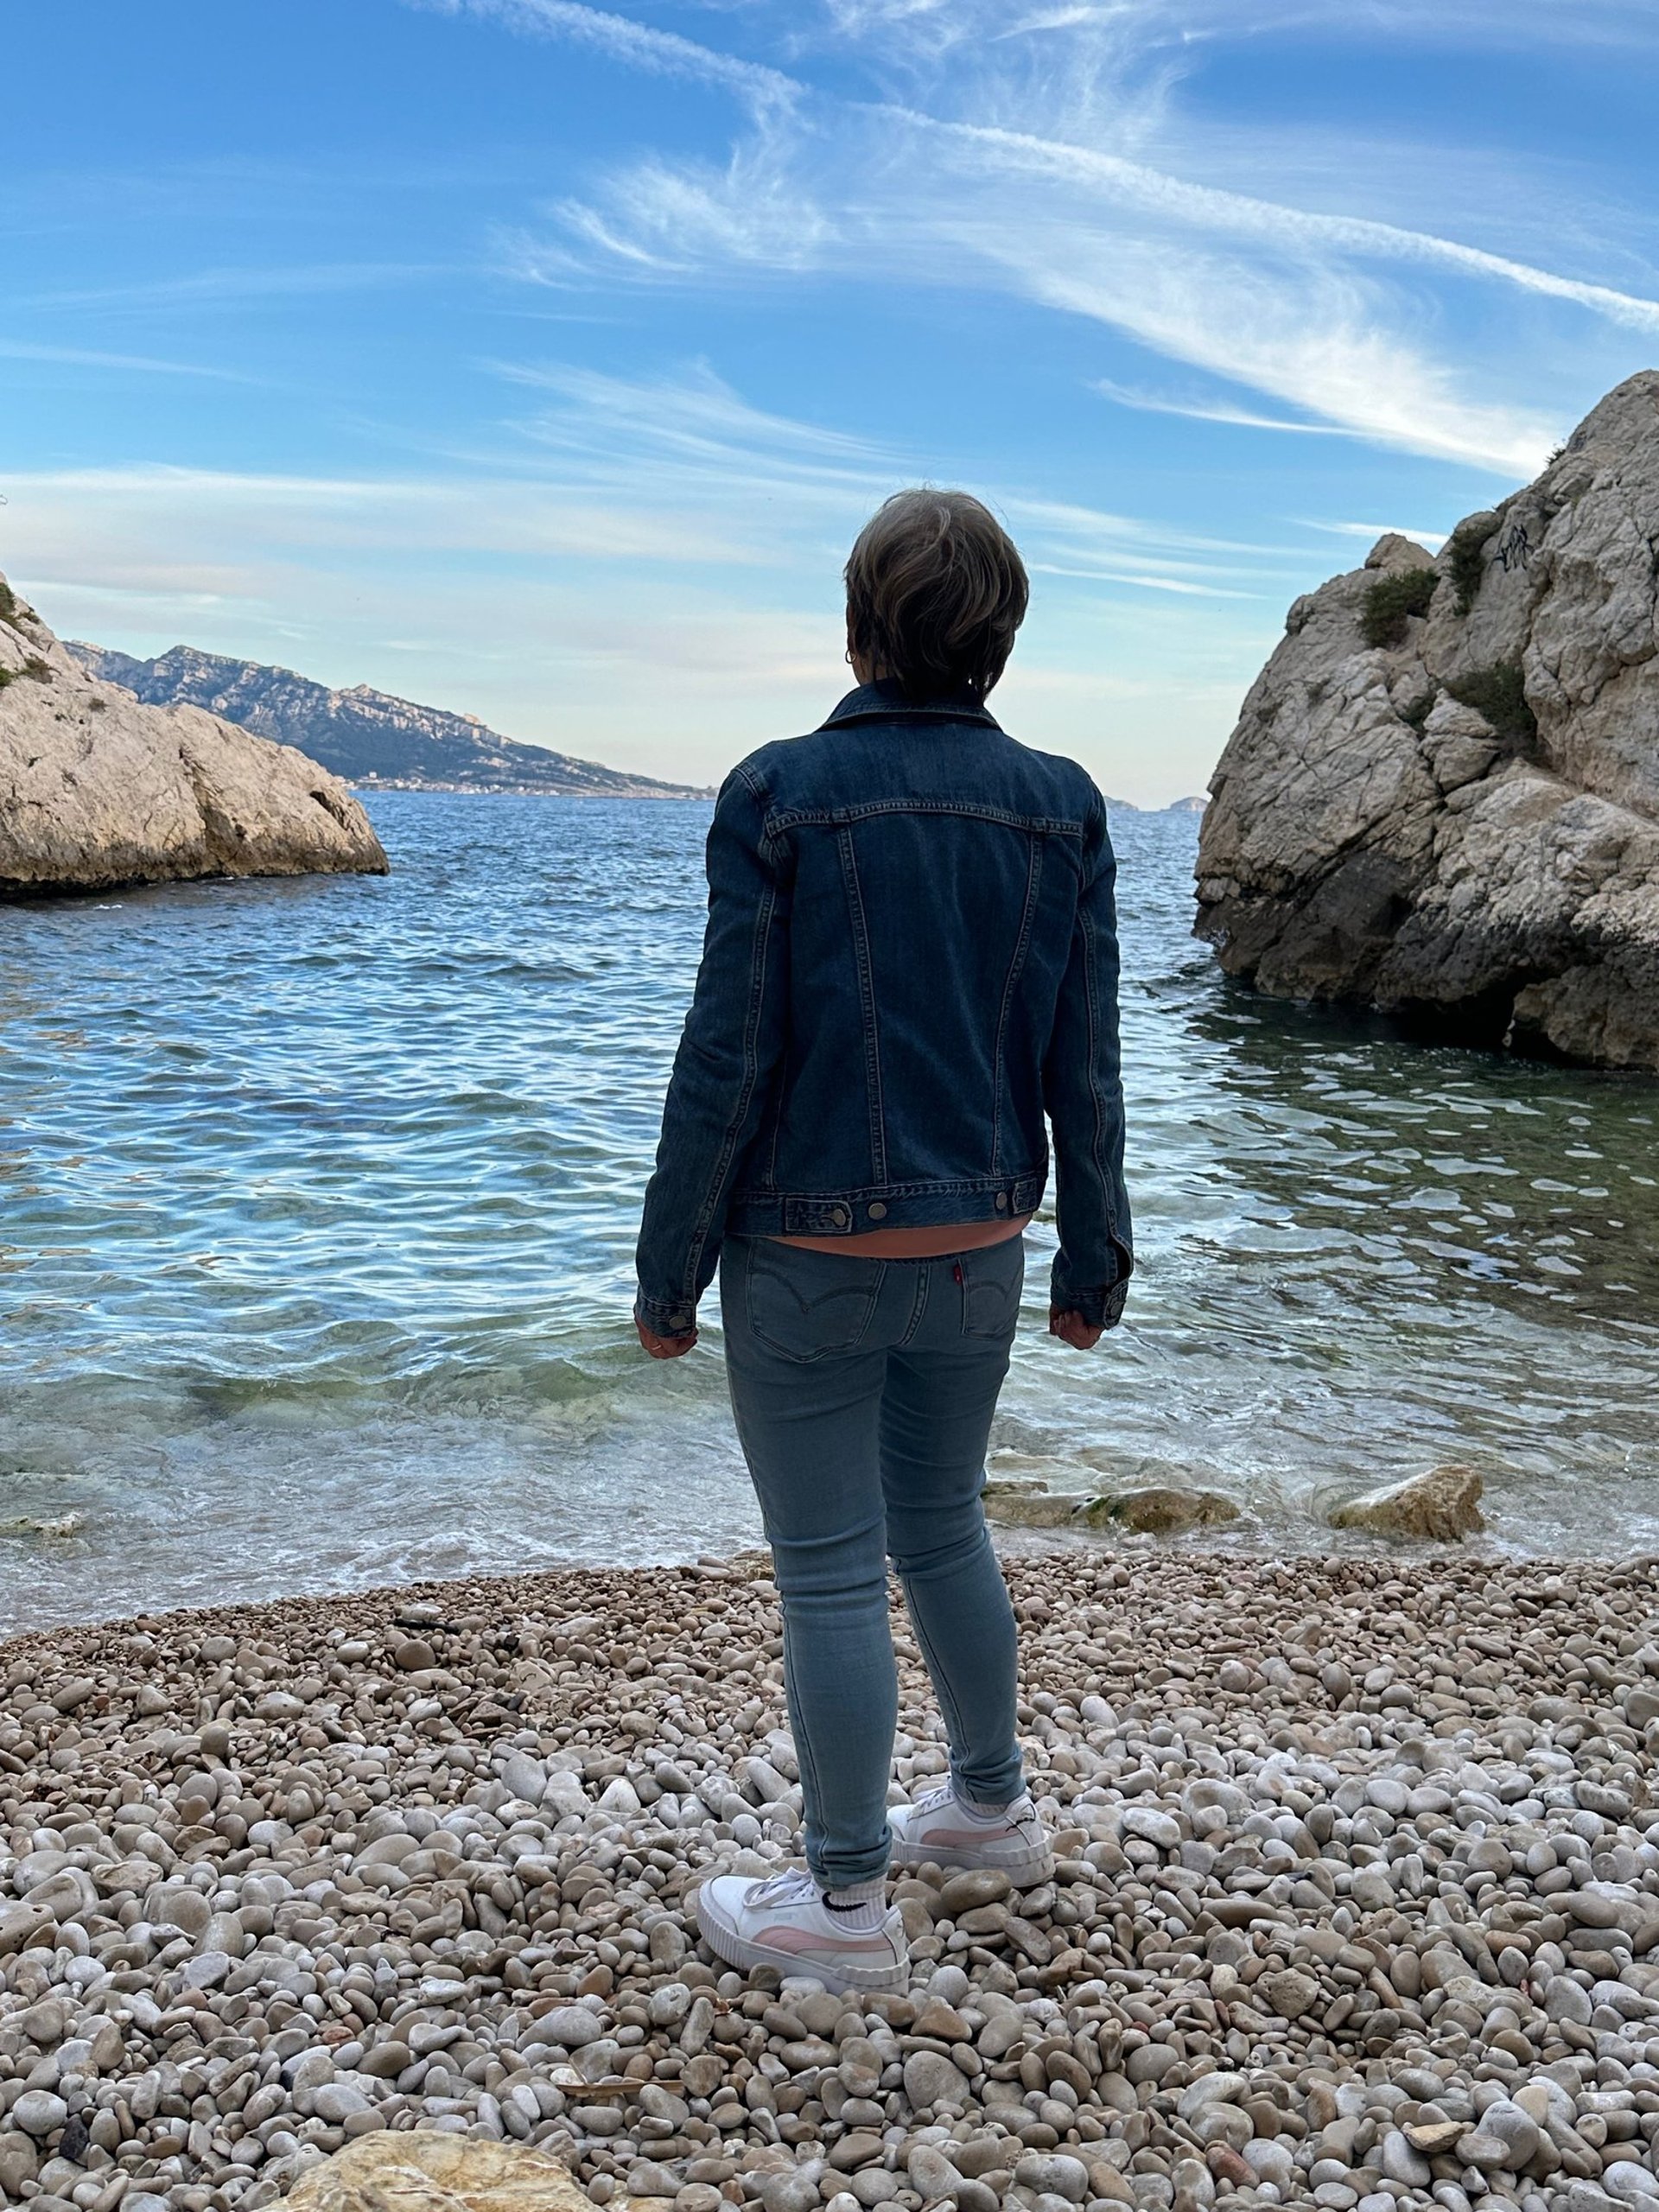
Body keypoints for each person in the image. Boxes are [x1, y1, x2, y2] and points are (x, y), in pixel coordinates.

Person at [633, 489, 1131, 1994]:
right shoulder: (1064, 804)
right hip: (982, 1244)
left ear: (859, 625)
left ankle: (845, 1909)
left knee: (834, 1570)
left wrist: (670, 1267)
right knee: (945, 1523)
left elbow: (730, 1050)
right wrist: (1095, 1250)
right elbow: (1084, 1055)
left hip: (805, 1250)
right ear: (1004, 633)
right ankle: (988, 1808)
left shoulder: (778, 793)